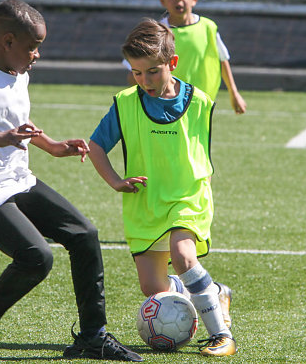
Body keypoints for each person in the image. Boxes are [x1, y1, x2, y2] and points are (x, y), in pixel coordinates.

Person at [0, 0, 142, 362]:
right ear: (7, 41)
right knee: (36, 257)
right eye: (32, 47)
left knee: (84, 235)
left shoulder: (17, 71)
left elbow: (14, 121)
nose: (36, 55)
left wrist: (53, 146)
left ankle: (94, 336)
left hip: (15, 181)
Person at [88, 18, 237, 357]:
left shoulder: (199, 101)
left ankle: (222, 335)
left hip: (187, 197)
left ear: (172, 63)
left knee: (184, 255)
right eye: (137, 73)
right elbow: (96, 146)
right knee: (152, 288)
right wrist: (115, 181)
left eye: (153, 71)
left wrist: (202, 187)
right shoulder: (126, 103)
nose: (145, 81)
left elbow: (201, 154)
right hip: (145, 202)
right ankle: (214, 291)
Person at [128, 0, 246, 114]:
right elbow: (134, 71)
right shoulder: (157, 33)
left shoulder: (208, 27)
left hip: (200, 105)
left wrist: (234, 93)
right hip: (167, 107)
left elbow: (222, 60)